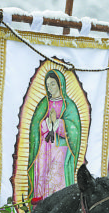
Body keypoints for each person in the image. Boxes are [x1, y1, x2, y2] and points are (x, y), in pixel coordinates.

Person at [28, 69, 81, 203]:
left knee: (57, 183)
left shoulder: (69, 105)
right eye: (48, 85)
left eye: (52, 84)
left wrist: (58, 123)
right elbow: (35, 126)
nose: (50, 88)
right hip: (43, 151)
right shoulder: (44, 104)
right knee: (44, 183)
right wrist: (46, 123)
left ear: (60, 84)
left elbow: (74, 129)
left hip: (60, 150)